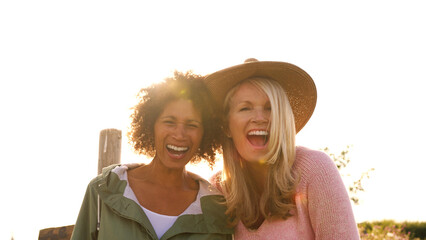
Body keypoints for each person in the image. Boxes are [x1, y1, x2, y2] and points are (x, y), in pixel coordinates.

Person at [205, 58, 360, 239]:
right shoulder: (218, 190)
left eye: (270, 108)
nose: (259, 117)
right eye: (245, 108)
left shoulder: (315, 169)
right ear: (226, 126)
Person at [71, 71, 233, 240]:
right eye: (169, 122)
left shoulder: (216, 210)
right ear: (151, 125)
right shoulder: (103, 190)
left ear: (205, 134)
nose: (179, 135)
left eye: (191, 125)